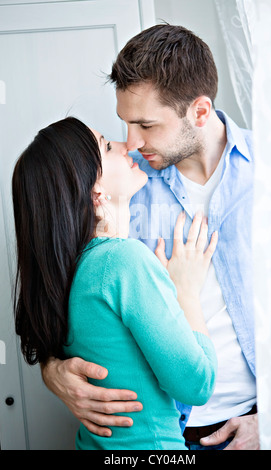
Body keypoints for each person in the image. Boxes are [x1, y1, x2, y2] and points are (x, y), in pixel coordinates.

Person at [41, 24, 259, 450]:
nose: (131, 143)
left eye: (145, 125)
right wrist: (54, 370)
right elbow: (69, 302)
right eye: (125, 124)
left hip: (261, 423)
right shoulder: (124, 190)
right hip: (161, 435)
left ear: (199, 111)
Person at [12, 116, 218, 450]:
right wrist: (186, 292)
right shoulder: (124, 262)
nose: (128, 147)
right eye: (108, 146)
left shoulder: (70, 272)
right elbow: (197, 383)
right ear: (96, 191)